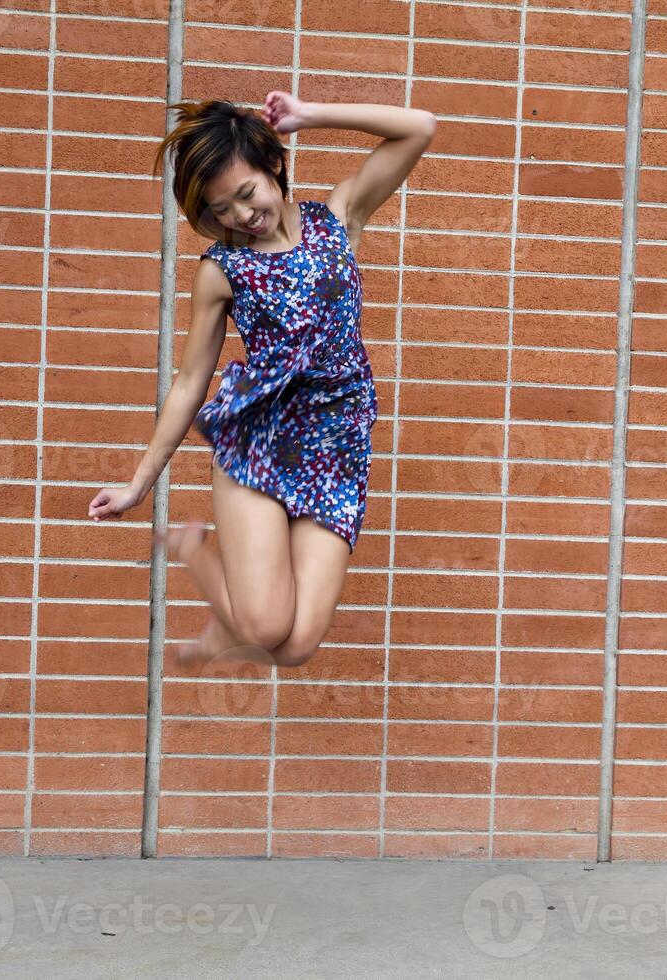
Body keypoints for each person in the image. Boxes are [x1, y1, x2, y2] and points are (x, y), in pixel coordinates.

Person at [88, 92, 435, 670]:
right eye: (221, 209)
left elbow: (419, 128)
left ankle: (216, 601)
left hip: (335, 443)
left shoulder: (339, 219)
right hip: (259, 439)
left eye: (245, 195)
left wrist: (311, 116)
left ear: (273, 165)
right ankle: (198, 557)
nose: (239, 217)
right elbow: (191, 380)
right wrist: (138, 482)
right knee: (267, 624)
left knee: (295, 647)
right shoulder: (223, 269)